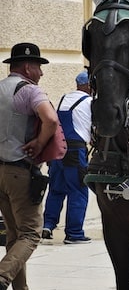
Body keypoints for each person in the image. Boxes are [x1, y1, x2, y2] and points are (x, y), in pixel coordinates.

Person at [0, 42, 59, 290]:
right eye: (38, 67)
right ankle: (1, 279)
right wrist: (39, 141)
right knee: (31, 232)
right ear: (26, 67)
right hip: (19, 170)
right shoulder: (30, 91)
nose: (41, 73)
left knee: (14, 232)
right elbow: (51, 120)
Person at [42, 71, 92, 245]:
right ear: (89, 85)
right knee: (78, 190)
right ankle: (74, 233)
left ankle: (47, 226)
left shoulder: (65, 98)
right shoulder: (90, 102)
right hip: (75, 151)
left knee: (56, 189)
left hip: (56, 149)